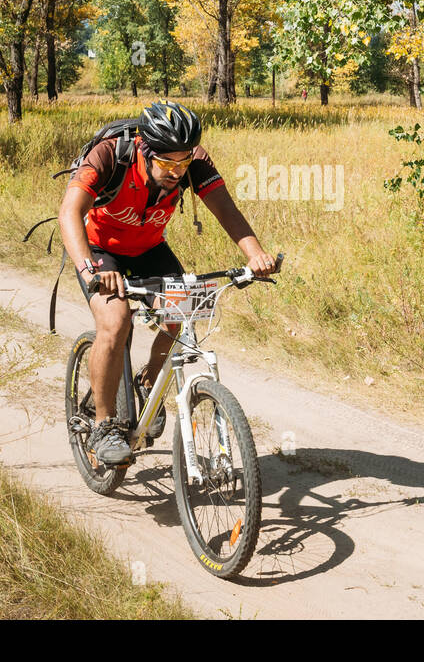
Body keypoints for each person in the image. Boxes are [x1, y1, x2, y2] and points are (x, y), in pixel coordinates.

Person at [57, 101, 278, 465]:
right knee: (115, 322)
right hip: (99, 251)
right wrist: (90, 270)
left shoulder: (195, 161)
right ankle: (103, 424)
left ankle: (149, 384)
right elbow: (69, 212)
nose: (177, 172)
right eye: (167, 163)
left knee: (182, 313)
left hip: (149, 248)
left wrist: (255, 255)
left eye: (183, 162)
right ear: (145, 148)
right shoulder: (110, 155)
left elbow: (225, 209)